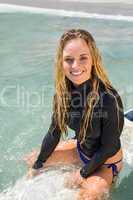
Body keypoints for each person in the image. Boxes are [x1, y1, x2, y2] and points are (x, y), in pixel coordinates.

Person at [24, 29, 124, 200]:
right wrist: (38, 165)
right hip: (80, 151)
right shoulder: (63, 94)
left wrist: (82, 173)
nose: (75, 66)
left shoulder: (108, 98)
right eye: (69, 60)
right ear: (61, 63)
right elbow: (54, 132)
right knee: (32, 159)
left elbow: (109, 147)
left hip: (106, 163)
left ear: (93, 59)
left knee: (88, 196)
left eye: (83, 58)